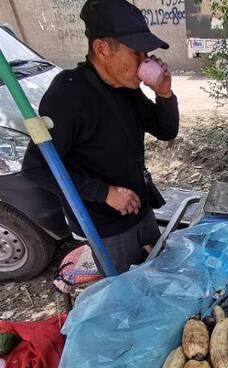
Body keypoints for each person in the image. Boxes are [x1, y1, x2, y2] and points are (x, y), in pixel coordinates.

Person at [22, 0, 179, 274]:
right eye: (136, 53)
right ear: (102, 49)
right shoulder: (67, 95)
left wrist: (164, 94)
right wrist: (104, 193)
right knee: (127, 294)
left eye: (146, 53)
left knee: (158, 274)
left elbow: (166, 131)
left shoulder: (125, 87)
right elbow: (36, 168)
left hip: (140, 207)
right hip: (105, 224)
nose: (145, 62)